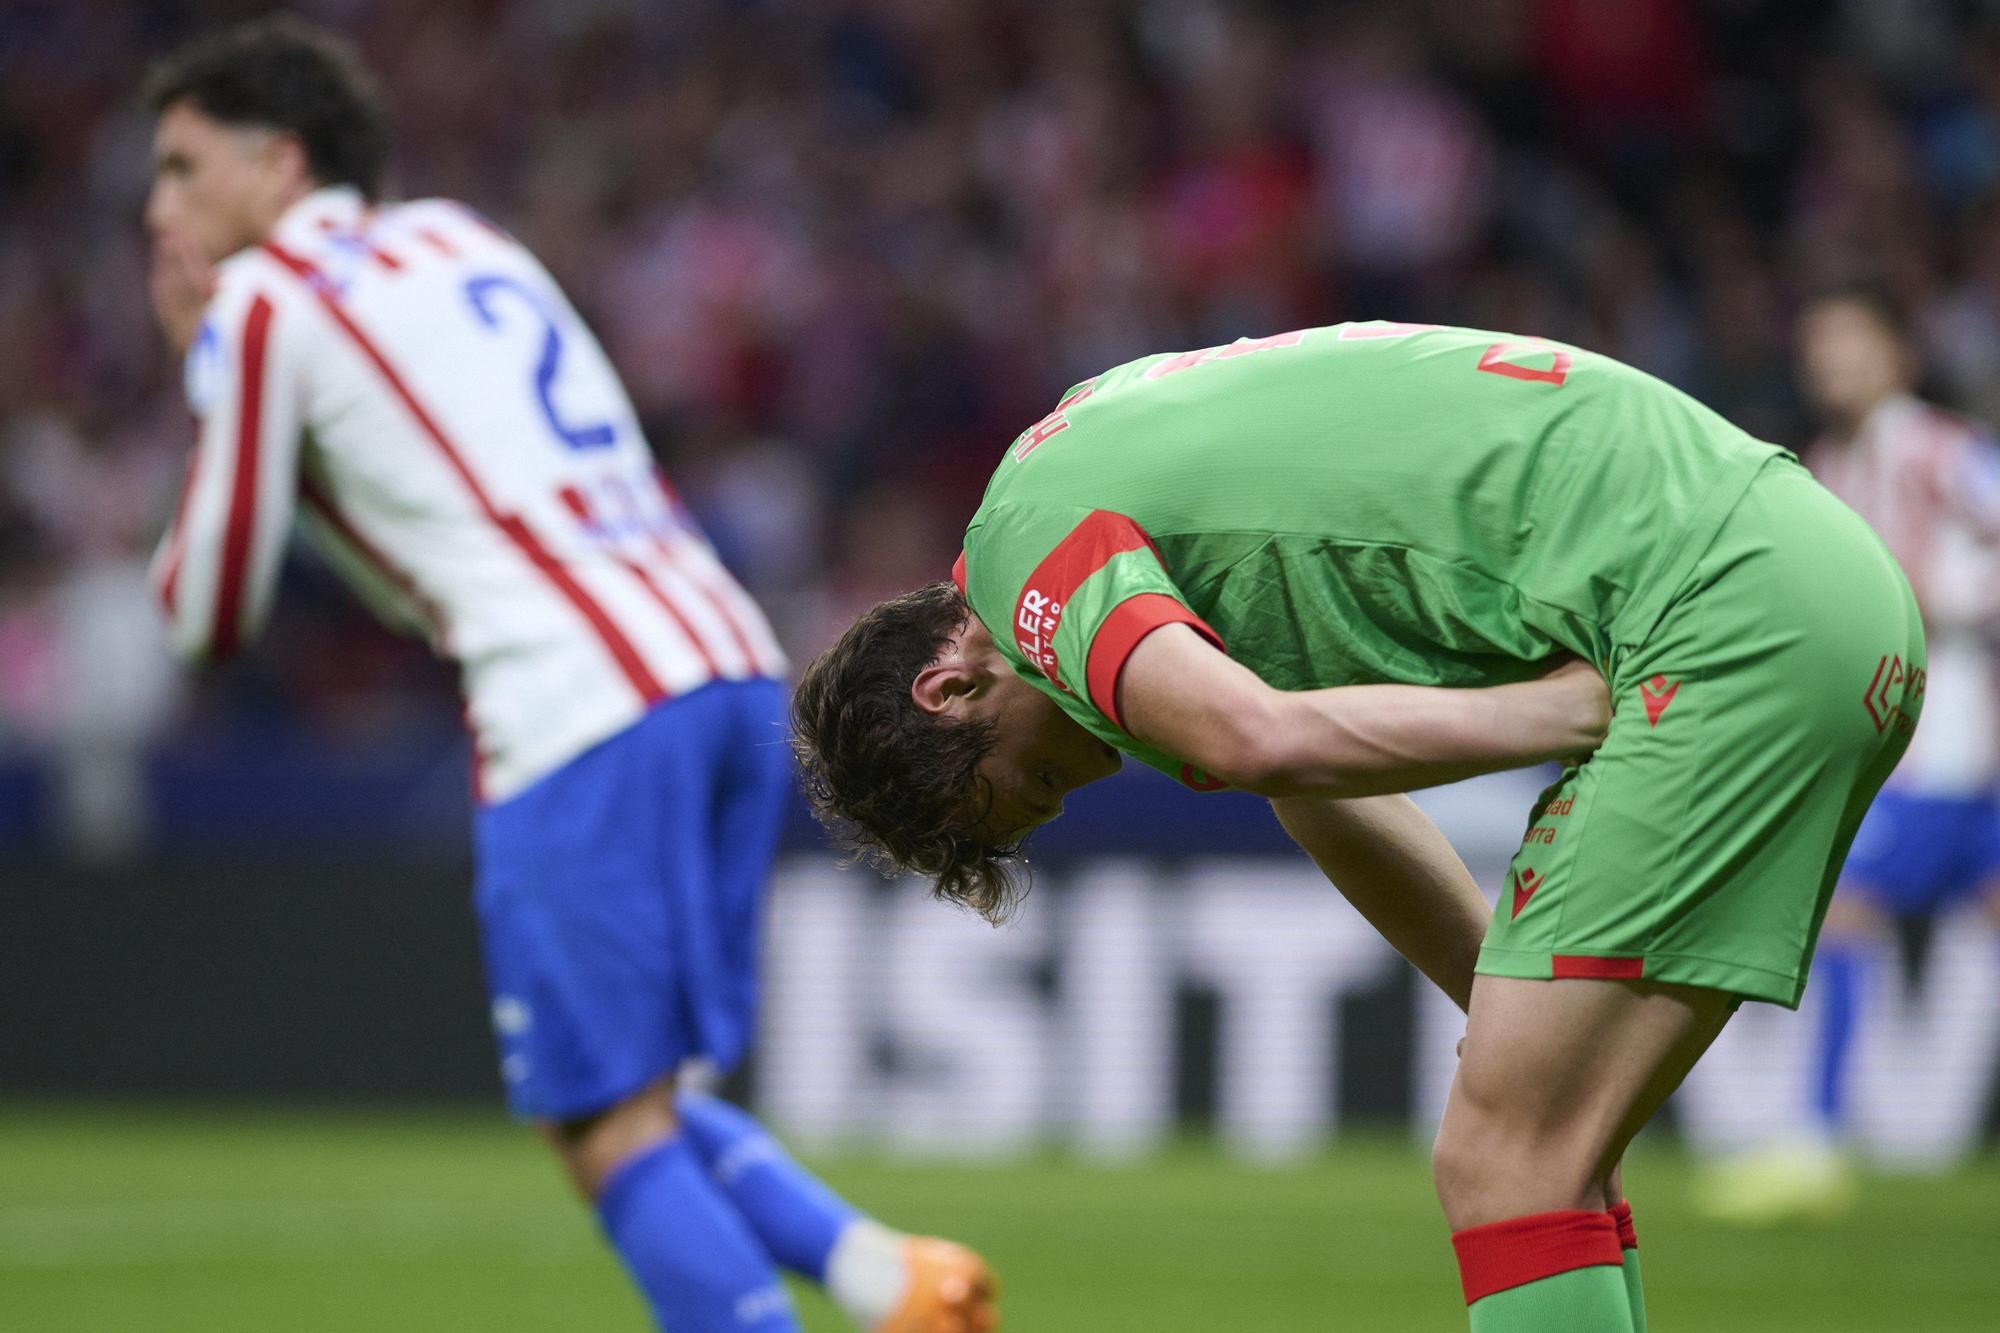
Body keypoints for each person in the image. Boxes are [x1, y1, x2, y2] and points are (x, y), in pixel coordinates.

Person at [793, 320, 1923, 1332]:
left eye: (1032, 783)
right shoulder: (1088, 449)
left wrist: (1567, 708)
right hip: (1812, 579)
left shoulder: (1025, 556)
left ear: (949, 686)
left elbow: (1258, 742)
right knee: (1541, 1152)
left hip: (1715, 622)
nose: (1075, 784)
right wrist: (1498, 1008)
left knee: (1508, 1159)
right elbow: (1314, 796)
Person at [141, 18, 995, 1333]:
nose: (163, 206)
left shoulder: (261, 305)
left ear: (278, 161)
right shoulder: (467, 243)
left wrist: (203, 370)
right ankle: (895, 1279)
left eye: (186, 168)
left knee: (599, 1118)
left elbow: (206, 612)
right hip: (716, 659)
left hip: (576, 698)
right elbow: (436, 530)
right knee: (648, 1091)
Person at [1696, 285, 2000, 1221]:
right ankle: (1817, 1137)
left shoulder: (1940, 451)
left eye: (1851, 341)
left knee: (1848, 915)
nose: (1832, 361)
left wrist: (1939, 595)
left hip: (1947, 741)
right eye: (1819, 343)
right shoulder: (1826, 465)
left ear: (1897, 354)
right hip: (1913, 746)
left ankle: (1819, 1139)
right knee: (1855, 916)